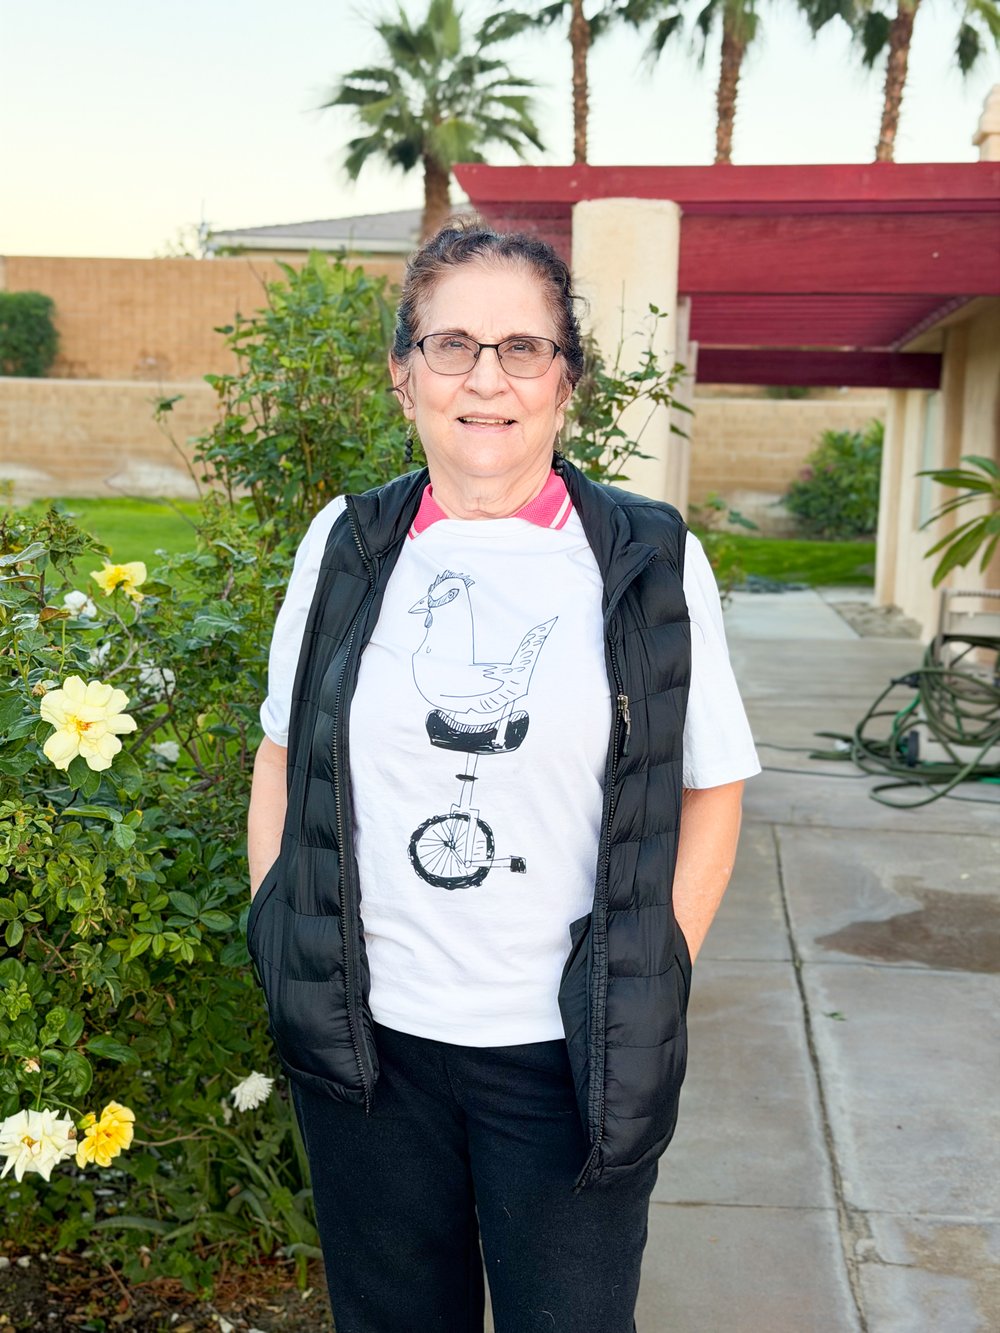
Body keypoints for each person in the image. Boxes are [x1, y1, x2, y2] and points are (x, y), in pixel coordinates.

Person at [246, 219, 760, 1333]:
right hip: (368, 1043)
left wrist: (648, 973)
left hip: (568, 1055)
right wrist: (280, 931)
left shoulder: (647, 558)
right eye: (453, 345)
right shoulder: (346, 542)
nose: (488, 378)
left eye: (524, 347)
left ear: (566, 380)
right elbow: (283, 750)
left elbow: (712, 786)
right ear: (404, 374)